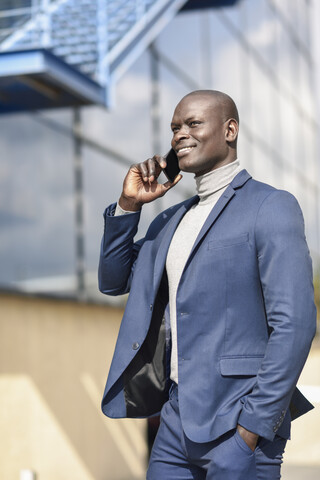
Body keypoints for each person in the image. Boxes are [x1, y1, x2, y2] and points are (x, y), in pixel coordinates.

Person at [98, 90, 316, 479]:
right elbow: (113, 281)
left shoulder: (271, 206)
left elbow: (295, 326)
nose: (180, 134)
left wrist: (251, 431)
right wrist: (129, 205)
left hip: (239, 424)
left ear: (230, 129)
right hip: (175, 422)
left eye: (193, 123)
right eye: (175, 128)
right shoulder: (169, 222)